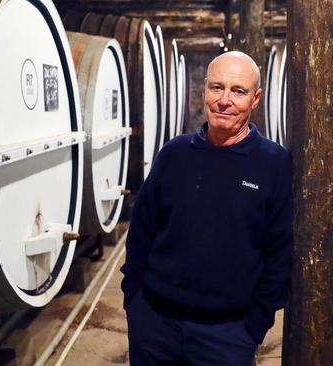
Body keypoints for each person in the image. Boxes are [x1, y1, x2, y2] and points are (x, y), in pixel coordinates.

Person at [120, 51, 293, 366]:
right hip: (155, 322)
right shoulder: (173, 154)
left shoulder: (274, 163)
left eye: (238, 91)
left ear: (255, 99)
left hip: (228, 335)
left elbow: (280, 251)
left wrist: (255, 325)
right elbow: (141, 231)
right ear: (204, 92)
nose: (225, 100)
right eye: (217, 87)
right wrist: (134, 300)